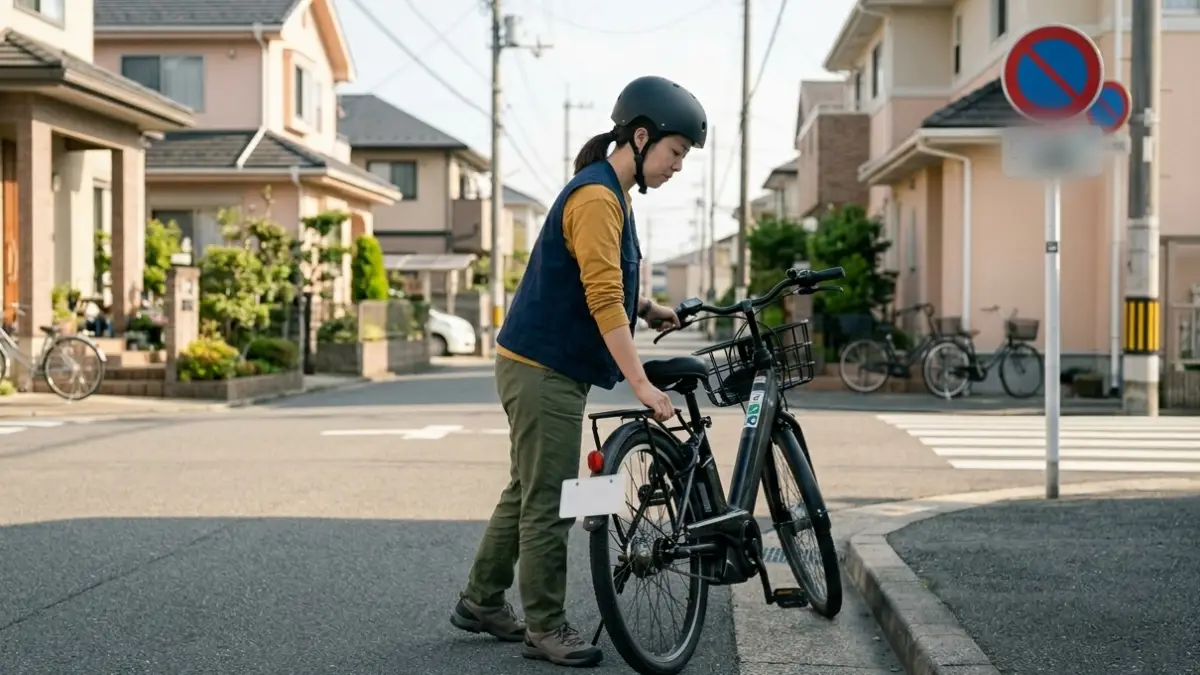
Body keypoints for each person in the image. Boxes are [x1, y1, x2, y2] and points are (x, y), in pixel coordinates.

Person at [448, 75, 708, 668]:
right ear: (641, 138)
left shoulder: (611, 195)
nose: (677, 167)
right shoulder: (596, 197)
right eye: (675, 153)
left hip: (538, 364)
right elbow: (600, 296)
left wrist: (649, 306)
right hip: (543, 369)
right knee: (552, 499)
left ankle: (482, 600)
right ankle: (546, 626)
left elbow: (609, 277)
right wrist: (640, 382)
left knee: (527, 489)